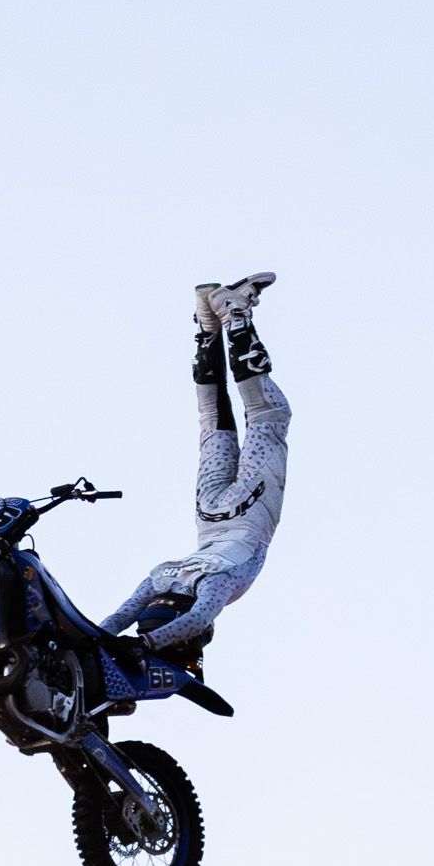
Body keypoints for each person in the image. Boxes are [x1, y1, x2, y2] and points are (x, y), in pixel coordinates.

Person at [103, 272, 289, 659]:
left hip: (249, 510)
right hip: (209, 512)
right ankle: (207, 323)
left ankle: (234, 313)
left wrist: (148, 644)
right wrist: (90, 642)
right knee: (213, 420)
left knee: (268, 415)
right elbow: (118, 618)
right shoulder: (161, 575)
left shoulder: (216, 583)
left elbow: (199, 617)